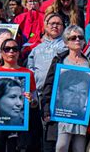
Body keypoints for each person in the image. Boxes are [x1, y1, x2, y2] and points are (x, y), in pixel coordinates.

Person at [42, 25, 90, 152]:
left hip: (81, 112)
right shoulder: (60, 60)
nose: (77, 40)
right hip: (62, 111)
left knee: (79, 148)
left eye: (80, 37)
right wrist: (46, 108)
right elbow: (49, 85)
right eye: (73, 38)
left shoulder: (89, 62)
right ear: (66, 42)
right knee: (61, 145)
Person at [0, 38, 38, 151]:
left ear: (19, 53)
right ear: (2, 53)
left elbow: (35, 103)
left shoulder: (28, 73)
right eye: (7, 49)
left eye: (15, 49)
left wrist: (31, 100)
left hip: (21, 125)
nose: (11, 52)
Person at [27, 12, 66, 152]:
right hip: (39, 96)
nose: (55, 26)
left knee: (55, 139)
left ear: (63, 27)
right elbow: (30, 73)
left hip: (59, 98)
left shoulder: (68, 46)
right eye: (52, 23)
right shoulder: (36, 50)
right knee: (38, 136)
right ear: (45, 26)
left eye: (58, 23)